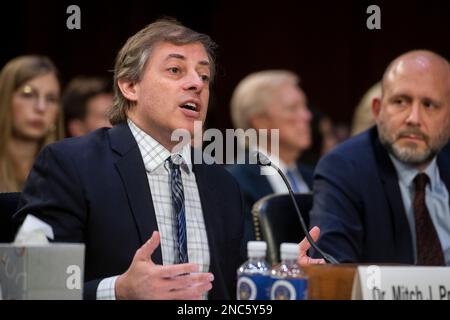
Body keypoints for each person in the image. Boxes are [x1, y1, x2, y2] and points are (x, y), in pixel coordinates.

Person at [13, 19, 243, 300]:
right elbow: (28, 286)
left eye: (204, 77)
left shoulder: (223, 184)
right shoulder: (70, 165)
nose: (197, 84)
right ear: (130, 86)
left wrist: (282, 279)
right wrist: (118, 290)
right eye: (175, 70)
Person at [310, 50, 450, 265]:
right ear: (378, 110)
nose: (413, 118)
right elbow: (333, 264)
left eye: (429, 105)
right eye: (400, 101)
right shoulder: (345, 167)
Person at [226, 70, 314, 248]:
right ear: (260, 122)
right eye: (292, 108)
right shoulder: (234, 183)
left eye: (305, 106)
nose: (307, 116)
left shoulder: (315, 176)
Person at [0, 55, 64, 192]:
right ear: (4, 98)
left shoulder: (67, 172)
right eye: (28, 94)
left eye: (51, 99)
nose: (41, 108)